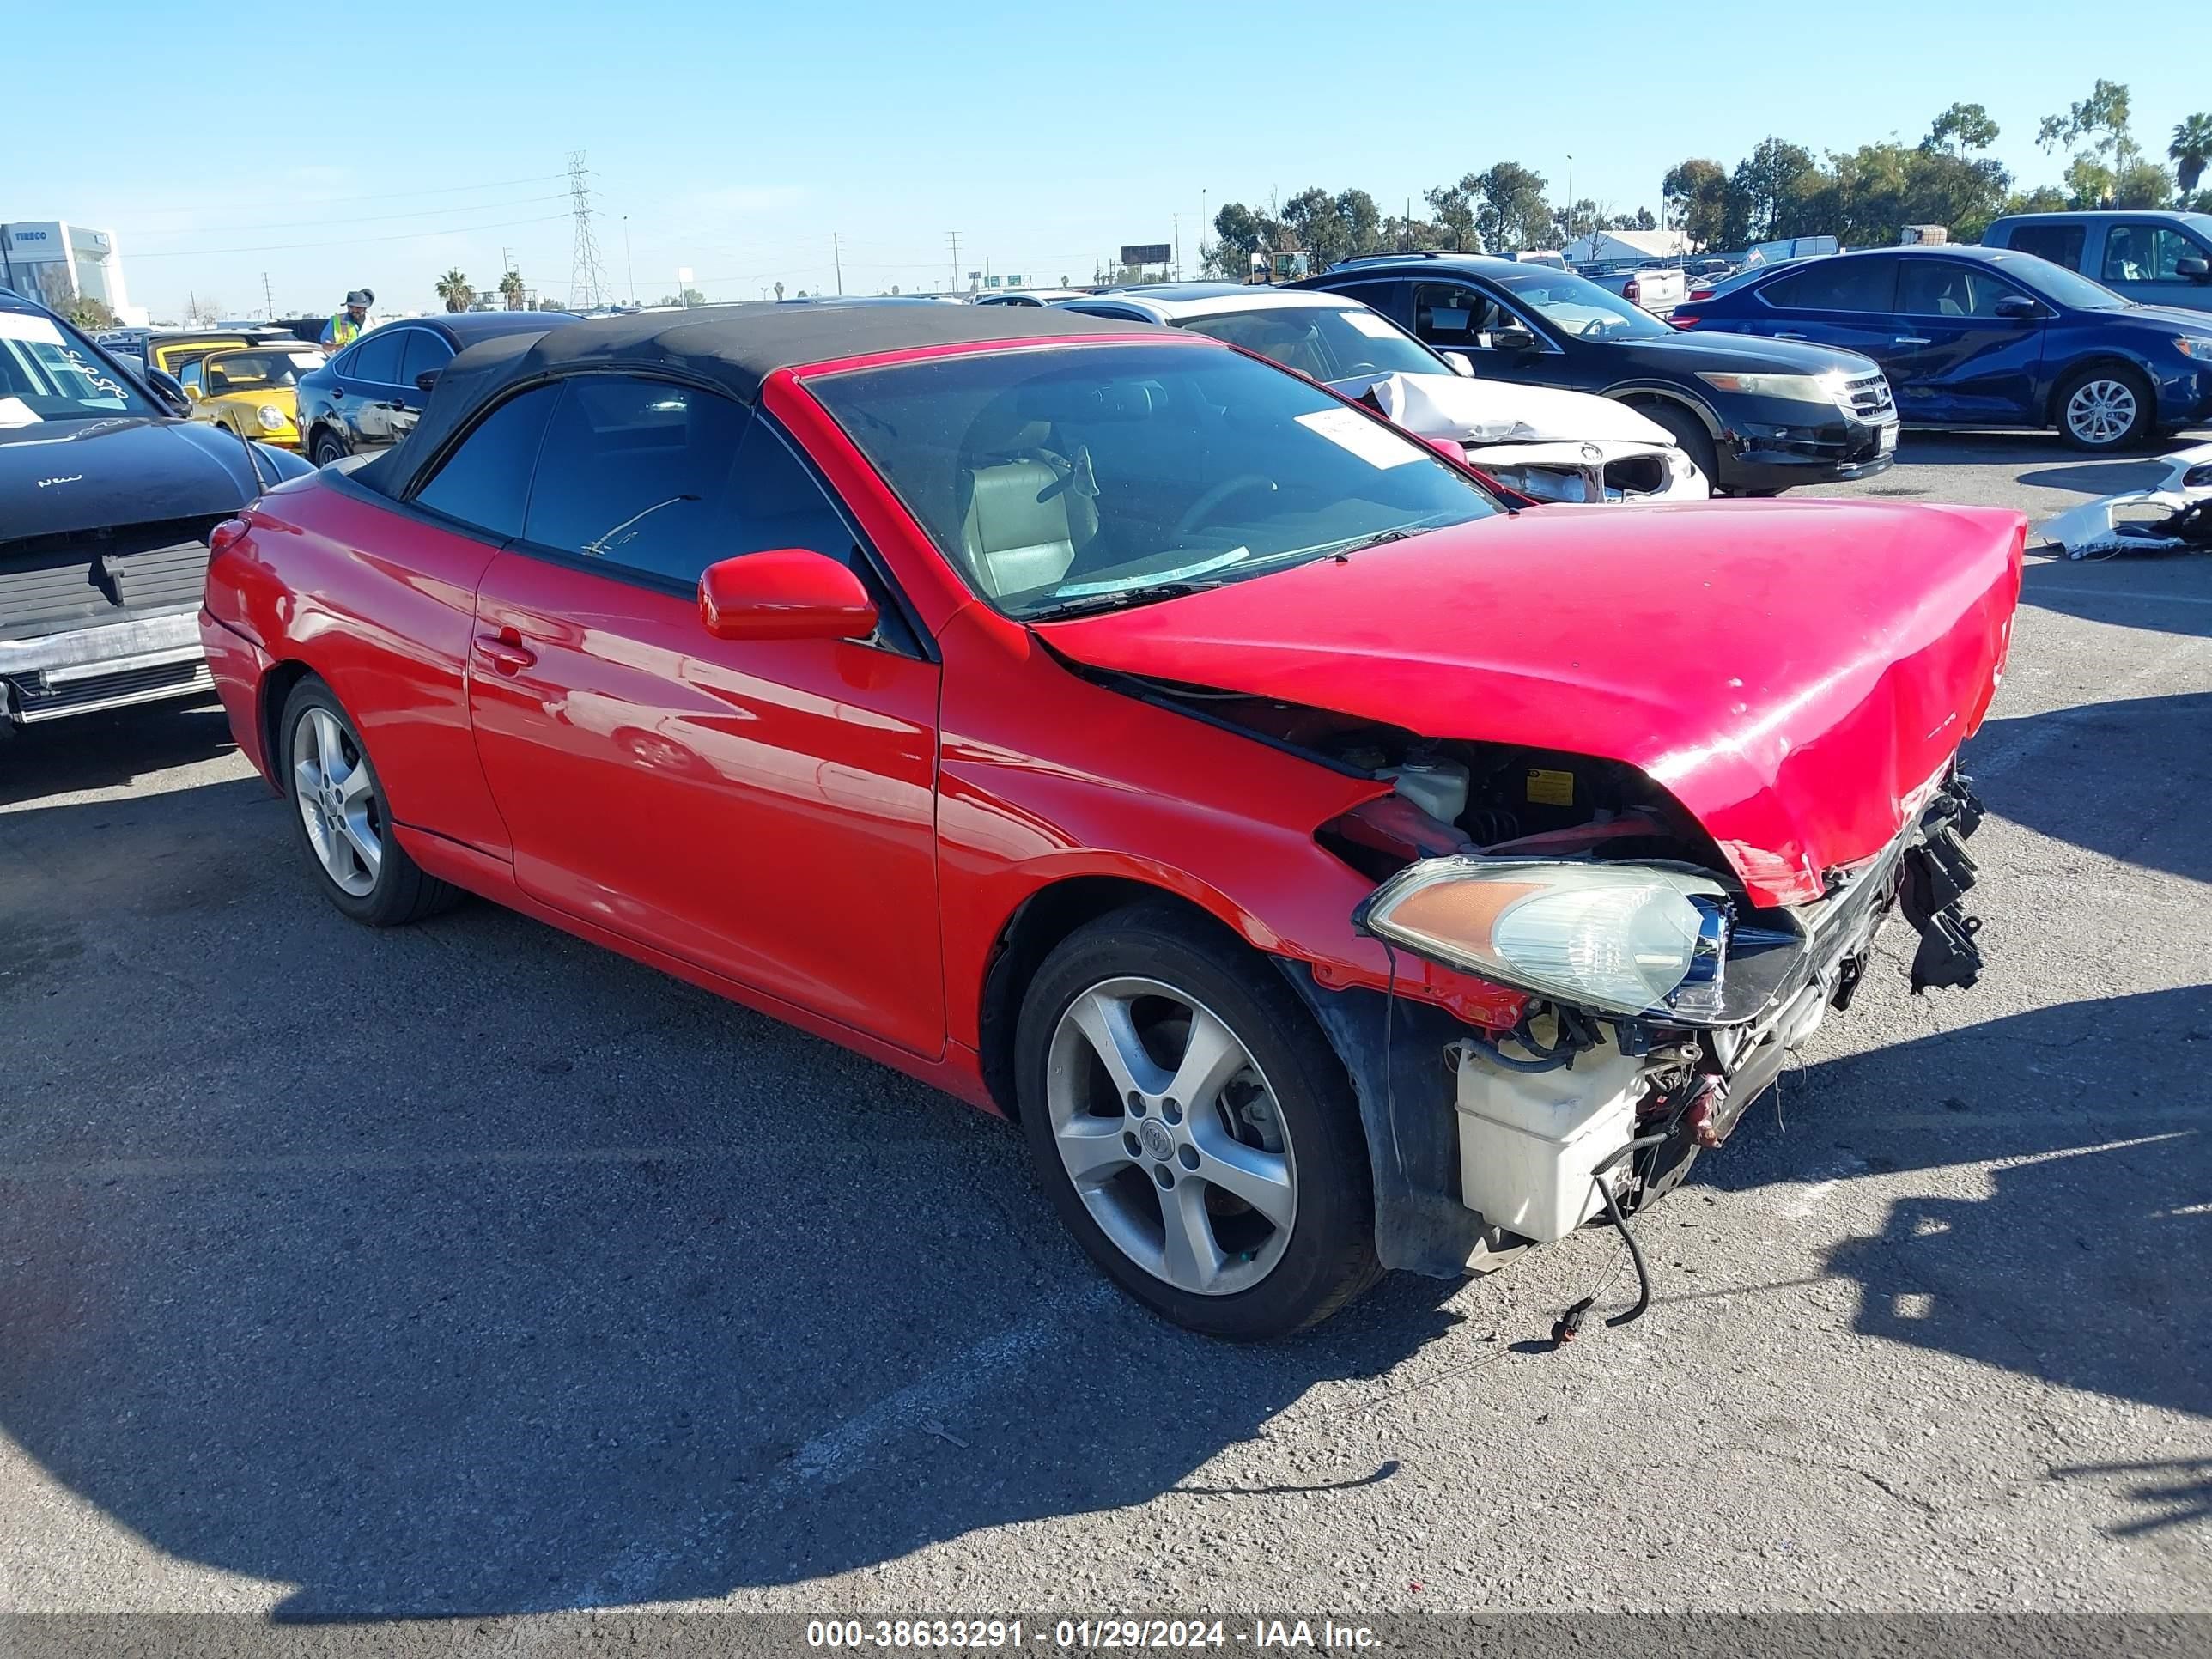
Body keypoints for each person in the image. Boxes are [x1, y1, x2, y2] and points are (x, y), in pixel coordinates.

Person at [319, 289, 374, 353]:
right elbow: (325, 345)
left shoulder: (375, 324)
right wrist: (336, 346)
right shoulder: (336, 321)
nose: (354, 310)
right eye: (351, 307)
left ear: (365, 308)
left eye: (358, 308)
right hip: (344, 361)